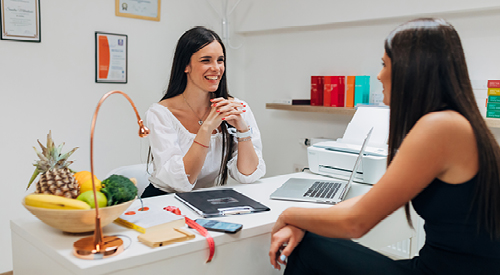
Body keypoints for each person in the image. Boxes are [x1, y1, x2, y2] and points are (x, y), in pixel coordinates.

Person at [269, 18, 500, 274]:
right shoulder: (459, 122)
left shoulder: (440, 127)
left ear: (412, 69)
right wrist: (305, 219)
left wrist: (290, 215)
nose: (379, 75)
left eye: (384, 64)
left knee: (308, 248)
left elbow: (355, 223)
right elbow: (368, 201)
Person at [142, 26, 265, 197]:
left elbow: (248, 175)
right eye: (206, 60)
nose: (216, 68)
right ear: (186, 65)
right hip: (164, 199)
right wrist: (206, 129)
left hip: (207, 198)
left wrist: (243, 130)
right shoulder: (160, 113)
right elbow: (181, 182)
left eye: (220, 60)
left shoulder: (237, 108)